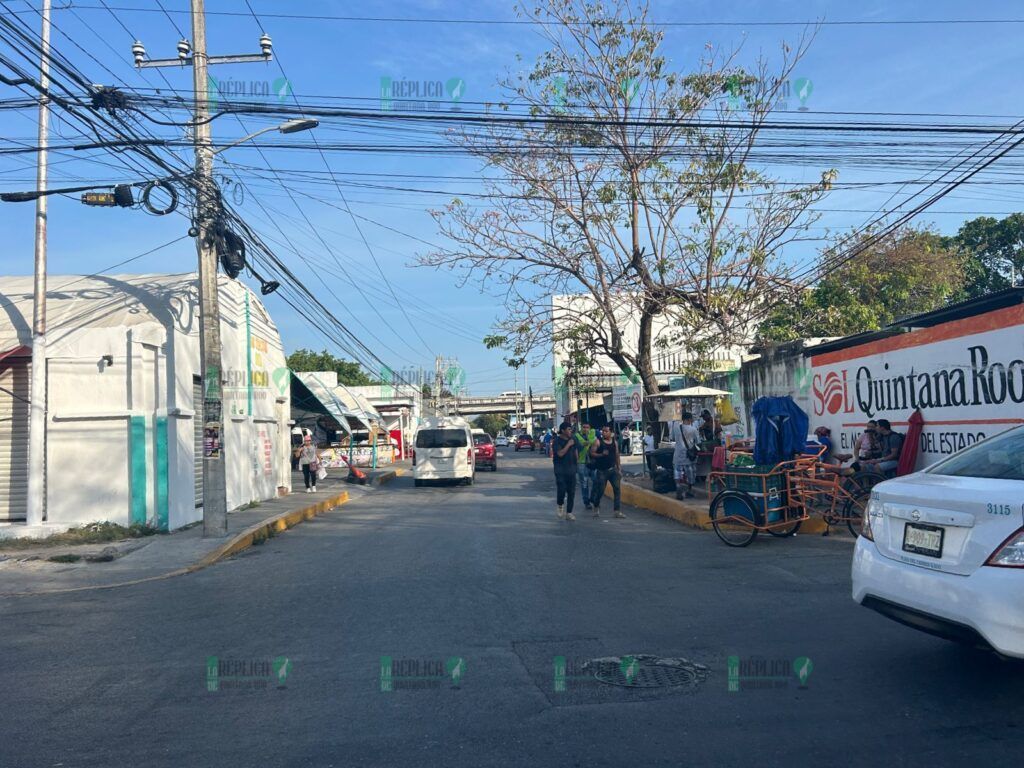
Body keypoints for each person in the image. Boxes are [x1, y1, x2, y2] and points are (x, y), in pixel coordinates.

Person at [590, 424, 625, 518]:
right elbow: (592, 453)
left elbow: (617, 455)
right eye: (603, 431)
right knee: (600, 491)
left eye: (606, 431)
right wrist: (601, 454)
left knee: (617, 490)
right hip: (601, 471)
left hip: (613, 470)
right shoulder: (598, 442)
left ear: (611, 433)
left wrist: (619, 468)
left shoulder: (615, 442)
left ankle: (617, 511)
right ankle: (596, 506)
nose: (604, 433)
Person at [552, 421, 578, 521]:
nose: (570, 431)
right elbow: (560, 454)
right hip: (560, 470)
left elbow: (575, 451)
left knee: (571, 492)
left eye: (571, 429)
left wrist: (577, 465)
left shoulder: (573, 440)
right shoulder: (557, 441)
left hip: (571, 470)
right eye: (568, 429)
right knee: (562, 489)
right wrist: (568, 444)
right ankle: (560, 504)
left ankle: (569, 513)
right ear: (563, 430)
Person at [672, 412, 700, 499]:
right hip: (689, 456)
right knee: (690, 473)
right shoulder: (693, 429)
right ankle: (689, 490)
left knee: (677, 471)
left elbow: (672, 438)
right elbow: (698, 442)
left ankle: (678, 486)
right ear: (689, 419)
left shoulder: (676, 428)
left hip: (678, 454)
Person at [574, 422, 598, 513]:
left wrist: (590, 439)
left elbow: (595, 443)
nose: (585, 429)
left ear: (590, 428)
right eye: (584, 427)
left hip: (592, 462)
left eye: (587, 427)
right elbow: (579, 446)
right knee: (584, 483)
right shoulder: (577, 436)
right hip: (581, 462)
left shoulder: (593, 435)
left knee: (596, 481)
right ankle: (586, 502)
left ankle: (592, 498)